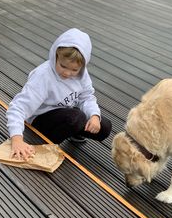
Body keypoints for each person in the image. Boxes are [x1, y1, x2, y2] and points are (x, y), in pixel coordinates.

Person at [6, 28, 112, 160]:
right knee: (75, 118)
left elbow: (87, 97)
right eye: (63, 66)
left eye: (74, 69)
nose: (67, 73)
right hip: (39, 119)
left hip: (65, 114)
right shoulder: (43, 76)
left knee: (105, 127)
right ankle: (44, 143)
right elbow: (17, 108)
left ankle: (73, 131)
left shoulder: (82, 74)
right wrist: (17, 140)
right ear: (55, 55)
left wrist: (95, 116)